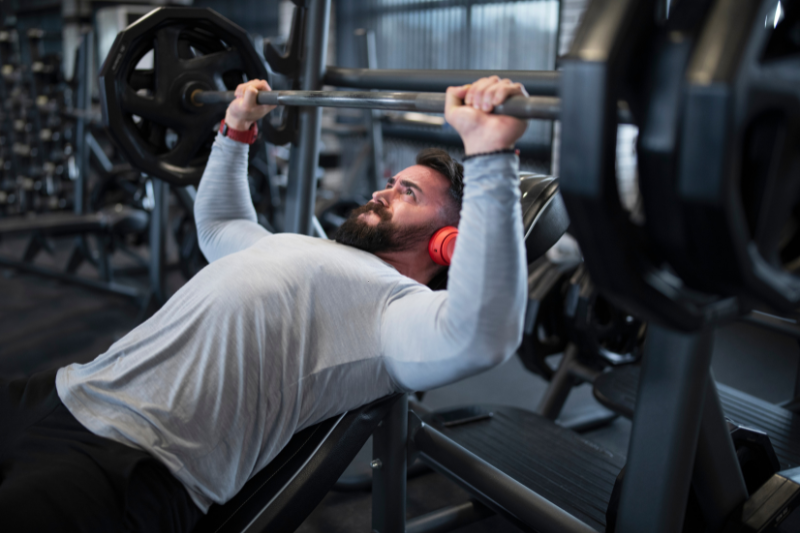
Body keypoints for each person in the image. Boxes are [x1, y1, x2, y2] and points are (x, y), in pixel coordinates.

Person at [0, 76, 529, 532]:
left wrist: (490, 157)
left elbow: (480, 336)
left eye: (408, 193)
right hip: (61, 391)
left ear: (448, 243)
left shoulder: (397, 309)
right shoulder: (304, 247)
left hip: (128, 462)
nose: (381, 192)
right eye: (391, 183)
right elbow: (220, 225)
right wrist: (235, 131)